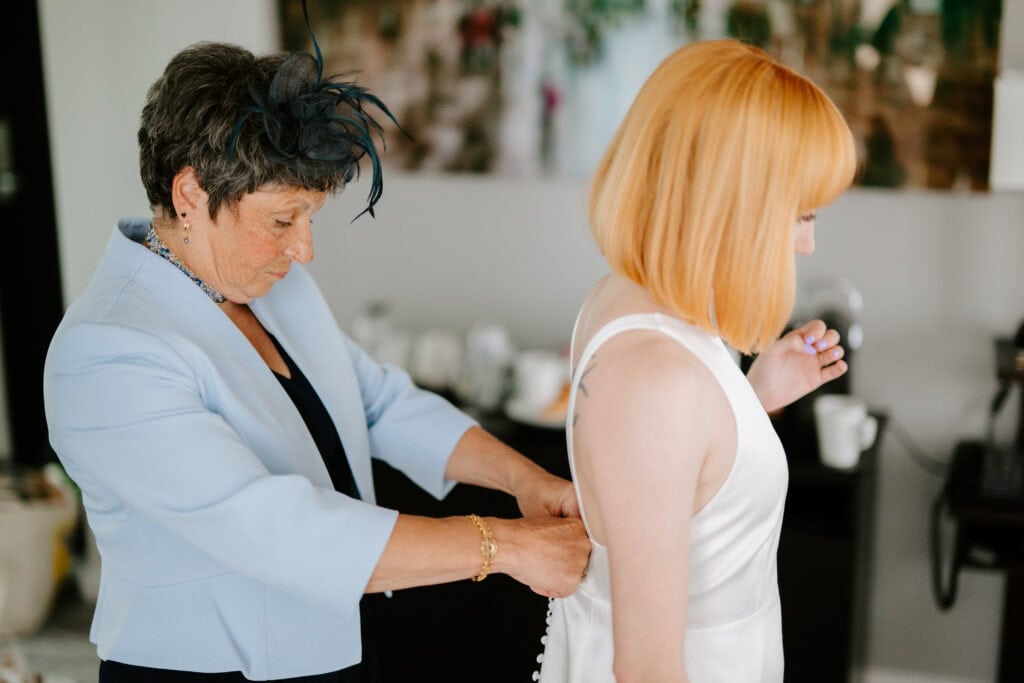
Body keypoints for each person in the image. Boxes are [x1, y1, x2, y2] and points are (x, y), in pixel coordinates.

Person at [41, 36, 593, 683]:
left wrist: (525, 480)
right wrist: (506, 547)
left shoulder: (270, 286)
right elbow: (278, 529)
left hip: (342, 640)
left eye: (310, 217)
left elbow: (379, 400)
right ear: (189, 193)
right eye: (283, 220)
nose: (304, 249)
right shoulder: (107, 353)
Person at [538, 39, 857, 682]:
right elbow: (649, 669)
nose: (806, 243)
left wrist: (749, 397)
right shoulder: (657, 378)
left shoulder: (634, 303)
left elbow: (682, 481)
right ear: (732, 207)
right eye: (799, 216)